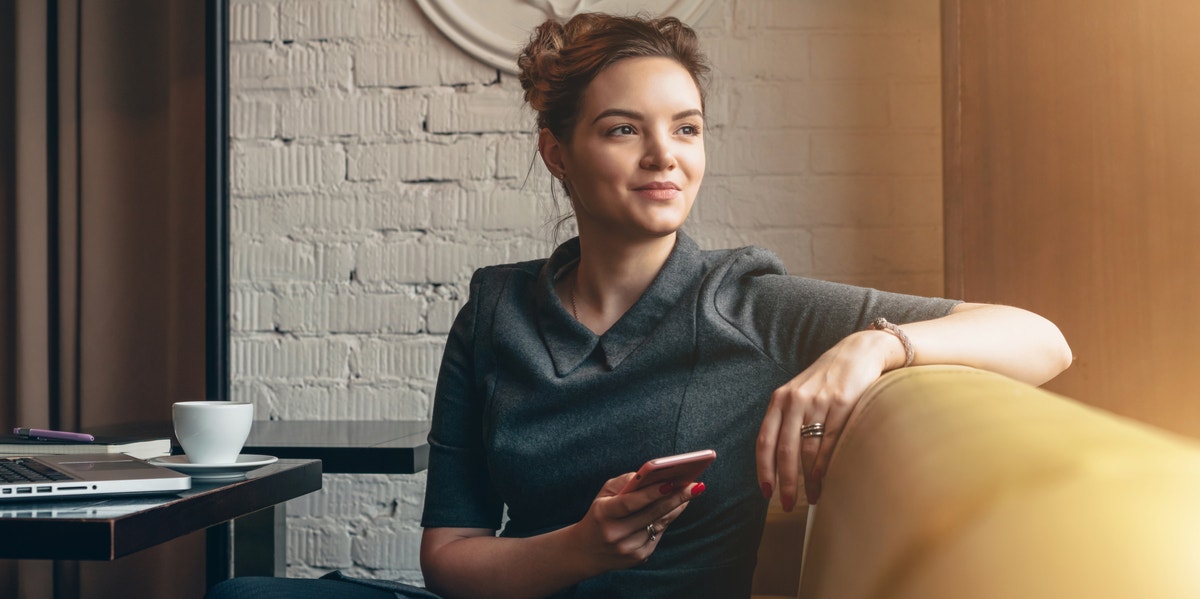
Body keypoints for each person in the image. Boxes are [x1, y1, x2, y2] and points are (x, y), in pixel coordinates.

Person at [207, 12, 1072, 599]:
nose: (667, 155)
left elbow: (1042, 339)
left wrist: (872, 348)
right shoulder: (494, 309)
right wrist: (580, 547)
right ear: (558, 152)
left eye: (687, 127)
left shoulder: (749, 302)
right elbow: (449, 554)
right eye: (625, 129)